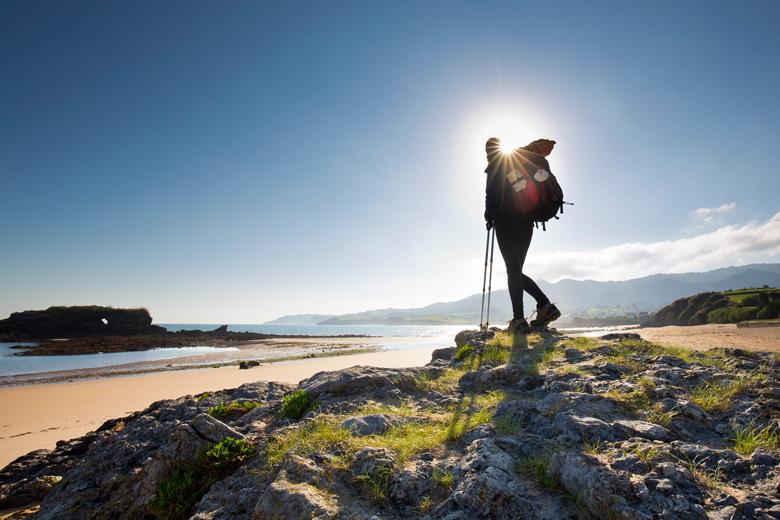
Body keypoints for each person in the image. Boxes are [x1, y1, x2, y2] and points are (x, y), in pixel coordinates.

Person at [484, 137, 561, 333]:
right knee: (516, 270)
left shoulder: (496, 164)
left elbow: (491, 195)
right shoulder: (521, 159)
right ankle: (545, 307)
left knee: (513, 270)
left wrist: (488, 216)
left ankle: (519, 320)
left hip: (506, 220)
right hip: (527, 221)